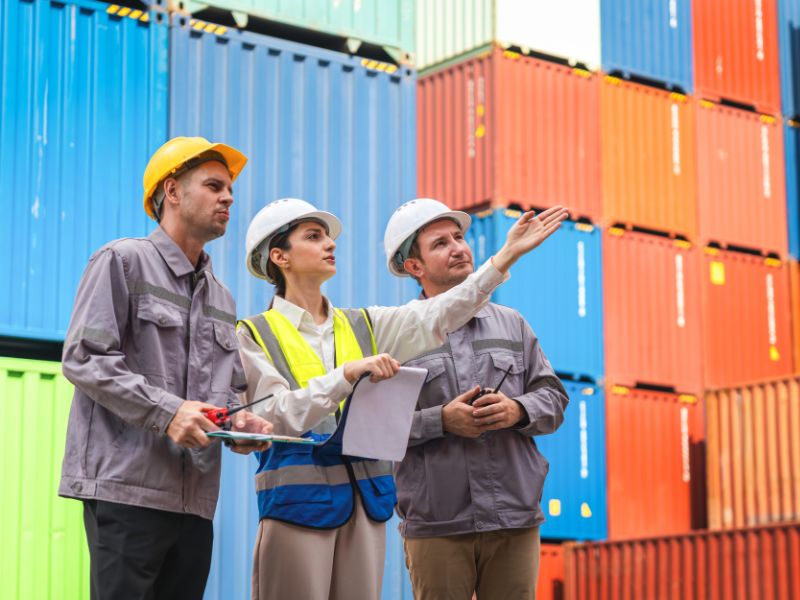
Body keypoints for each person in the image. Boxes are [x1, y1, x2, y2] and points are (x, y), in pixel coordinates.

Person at [236, 197, 567, 600]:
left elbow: (444, 311)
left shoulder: (366, 325)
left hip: (367, 507)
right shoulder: (254, 335)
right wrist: (348, 376)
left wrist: (506, 256)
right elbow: (272, 416)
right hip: (298, 505)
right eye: (314, 236)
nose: (331, 244)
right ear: (279, 256)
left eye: (459, 238)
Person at [59, 136, 273, 600]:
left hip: (195, 500)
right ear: (172, 191)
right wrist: (169, 412)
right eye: (215, 186)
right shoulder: (122, 261)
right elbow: (85, 357)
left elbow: (226, 391)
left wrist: (239, 421)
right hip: (126, 490)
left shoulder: (221, 295)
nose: (229, 198)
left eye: (230, 189)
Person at [384, 198, 570, 600]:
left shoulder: (513, 324)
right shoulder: (396, 337)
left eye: (459, 237)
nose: (458, 247)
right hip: (439, 523)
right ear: (414, 266)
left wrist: (517, 410)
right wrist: (442, 421)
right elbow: (378, 429)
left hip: (514, 518)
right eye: (440, 243)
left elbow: (554, 399)